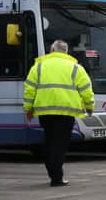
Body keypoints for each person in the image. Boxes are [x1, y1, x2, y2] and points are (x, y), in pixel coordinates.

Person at [23, 40, 95, 187]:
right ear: (66, 52)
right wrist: (89, 107)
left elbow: (29, 89)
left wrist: (28, 109)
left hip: (46, 111)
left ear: (51, 50)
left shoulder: (38, 66)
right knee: (60, 145)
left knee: (50, 141)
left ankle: (53, 171)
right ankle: (56, 177)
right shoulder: (76, 68)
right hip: (66, 112)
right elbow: (86, 89)